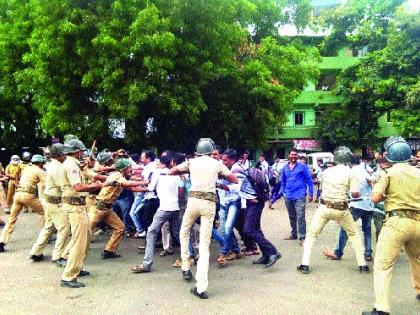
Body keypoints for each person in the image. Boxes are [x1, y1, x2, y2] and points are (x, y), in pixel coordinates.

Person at [169, 138, 238, 299]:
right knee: (204, 245)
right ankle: (201, 288)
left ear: (197, 152)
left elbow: (172, 171)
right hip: (209, 204)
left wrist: (187, 172)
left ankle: (186, 266)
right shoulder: (216, 163)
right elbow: (234, 179)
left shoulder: (191, 162)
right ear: (210, 151)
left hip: (192, 202)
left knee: (184, 232)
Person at [362, 138, 420, 315]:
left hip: (396, 223)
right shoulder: (419, 173)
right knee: (417, 259)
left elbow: (375, 198)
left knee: (383, 265)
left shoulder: (387, 173)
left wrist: (384, 193)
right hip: (418, 222)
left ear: (392, 156)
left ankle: (382, 308)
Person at [297, 146, 369, 274]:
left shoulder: (326, 172)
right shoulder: (351, 172)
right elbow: (355, 194)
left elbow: (323, 189)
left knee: (311, 235)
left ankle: (305, 264)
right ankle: (362, 265)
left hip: (324, 207)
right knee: (354, 235)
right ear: (348, 159)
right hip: (342, 209)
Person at [59, 138, 103, 288]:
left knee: (87, 236)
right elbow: (78, 187)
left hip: (77, 206)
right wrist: (96, 186)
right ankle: (69, 276)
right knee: (79, 241)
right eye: (81, 152)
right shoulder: (71, 165)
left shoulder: (72, 164)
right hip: (75, 207)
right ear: (76, 152)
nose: (83, 154)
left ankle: (77, 268)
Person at [131, 154, 183, 273]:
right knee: (178, 233)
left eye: (158, 162)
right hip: (175, 207)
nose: (157, 164)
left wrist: (134, 187)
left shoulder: (157, 173)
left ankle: (146, 264)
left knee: (151, 231)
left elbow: (150, 188)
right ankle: (192, 254)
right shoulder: (176, 174)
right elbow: (181, 190)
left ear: (162, 163)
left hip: (164, 208)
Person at [322, 155, 375, 261]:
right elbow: (371, 181)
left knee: (345, 229)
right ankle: (368, 253)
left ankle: (338, 252)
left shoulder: (351, 172)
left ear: (349, 163)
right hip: (368, 204)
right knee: (367, 230)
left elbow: (351, 191)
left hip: (356, 205)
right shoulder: (365, 169)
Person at [92, 158, 142, 259]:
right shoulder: (117, 176)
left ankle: (109, 251)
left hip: (106, 209)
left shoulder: (119, 176)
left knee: (120, 228)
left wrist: (147, 188)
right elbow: (127, 184)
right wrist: (145, 182)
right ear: (124, 168)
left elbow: (130, 187)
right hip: (99, 208)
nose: (130, 169)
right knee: (85, 231)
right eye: (129, 167)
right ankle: (67, 254)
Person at [29, 144, 70, 266]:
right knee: (64, 228)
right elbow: (62, 185)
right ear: (58, 155)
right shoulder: (56, 168)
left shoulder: (53, 165)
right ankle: (58, 256)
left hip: (49, 200)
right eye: (63, 154)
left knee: (49, 227)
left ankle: (36, 252)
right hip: (54, 202)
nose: (65, 155)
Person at [0, 155, 46, 253]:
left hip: (18, 194)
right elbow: (47, 184)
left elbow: (17, 175)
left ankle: (2, 241)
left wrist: (16, 182)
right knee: (45, 213)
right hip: (28, 195)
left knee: (11, 219)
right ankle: (45, 235)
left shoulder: (26, 169)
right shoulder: (39, 171)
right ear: (40, 163)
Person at [240, 167, 281, 268]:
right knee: (256, 229)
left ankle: (272, 251)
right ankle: (266, 255)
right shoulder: (240, 169)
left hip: (255, 203)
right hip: (253, 202)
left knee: (248, 230)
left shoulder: (235, 170)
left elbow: (236, 185)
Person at [281, 148, 314, 244]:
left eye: (295, 155)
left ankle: (302, 237)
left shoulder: (302, 166)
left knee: (300, 216)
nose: (293, 156)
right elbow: (282, 181)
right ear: (289, 155)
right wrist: (284, 192)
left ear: (297, 156)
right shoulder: (285, 167)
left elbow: (309, 180)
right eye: (292, 154)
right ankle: (294, 234)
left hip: (300, 195)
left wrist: (311, 194)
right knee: (292, 216)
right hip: (288, 196)